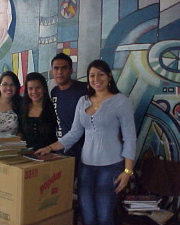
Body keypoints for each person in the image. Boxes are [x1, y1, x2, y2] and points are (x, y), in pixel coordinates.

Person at [35, 59, 136, 225]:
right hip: (86, 167)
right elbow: (75, 132)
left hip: (111, 167)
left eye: (101, 74)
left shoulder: (121, 101)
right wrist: (49, 148)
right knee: (87, 215)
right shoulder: (83, 101)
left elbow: (130, 137)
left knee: (104, 217)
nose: (96, 79)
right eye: (92, 75)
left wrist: (127, 171)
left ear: (109, 76)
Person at [50, 52, 87, 171]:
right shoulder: (54, 92)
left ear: (71, 70)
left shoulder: (84, 89)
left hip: (84, 151)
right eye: (56, 68)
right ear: (52, 71)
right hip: (62, 150)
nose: (60, 72)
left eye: (64, 68)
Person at [19, 72, 58, 150]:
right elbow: (20, 131)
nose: (34, 91)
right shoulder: (22, 108)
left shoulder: (53, 107)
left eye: (38, 88)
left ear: (44, 89)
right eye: (30, 88)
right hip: (27, 155)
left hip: (51, 155)